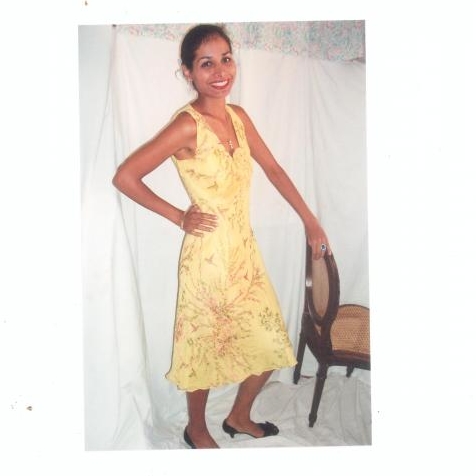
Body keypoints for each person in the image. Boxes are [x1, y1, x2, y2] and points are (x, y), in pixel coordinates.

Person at [112, 23, 331, 449]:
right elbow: (126, 176)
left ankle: (238, 416)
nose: (220, 71)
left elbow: (274, 170)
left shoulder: (239, 117)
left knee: (270, 340)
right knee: (204, 348)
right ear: (188, 72)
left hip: (243, 252)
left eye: (226, 59)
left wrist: (311, 220)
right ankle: (196, 429)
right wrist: (179, 216)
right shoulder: (186, 126)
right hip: (207, 257)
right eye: (206, 63)